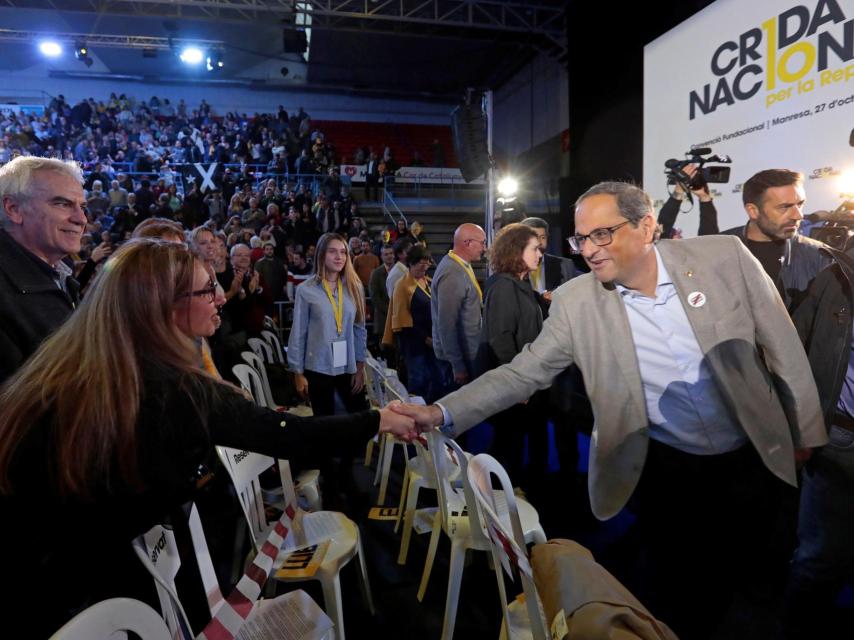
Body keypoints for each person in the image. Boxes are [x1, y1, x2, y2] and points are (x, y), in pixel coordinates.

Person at [392, 181, 827, 639]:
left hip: (753, 456)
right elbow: (521, 374)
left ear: (646, 226)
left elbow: (783, 347)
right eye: (582, 239)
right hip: (666, 469)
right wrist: (440, 413)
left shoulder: (725, 259)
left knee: (759, 581)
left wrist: (807, 433)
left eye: (603, 234)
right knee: (685, 594)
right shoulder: (576, 303)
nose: (590, 250)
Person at [785, 247, 854, 638]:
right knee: (818, 558)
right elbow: (793, 353)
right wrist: (801, 429)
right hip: (841, 442)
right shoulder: (835, 279)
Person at [0, 156, 86, 383]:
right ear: (13, 209)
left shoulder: (62, 270)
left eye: (82, 206)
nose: (81, 218)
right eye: (62, 203)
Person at [475, 224, 548, 491]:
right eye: (534, 249)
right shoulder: (505, 287)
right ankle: (496, 505)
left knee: (511, 442)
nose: (540, 254)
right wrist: (519, 384)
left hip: (519, 380)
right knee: (507, 444)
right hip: (511, 382)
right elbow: (501, 339)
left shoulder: (518, 283)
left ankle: (502, 499)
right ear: (516, 251)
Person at [722, 168, 831, 312]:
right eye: (784, 207)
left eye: (800, 204)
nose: (798, 215)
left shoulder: (821, 256)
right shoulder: (719, 249)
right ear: (753, 211)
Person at [287, 232, 368, 416]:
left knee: (359, 417)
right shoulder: (305, 290)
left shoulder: (354, 288)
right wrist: (297, 373)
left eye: (343, 252)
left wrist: (360, 366)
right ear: (321, 254)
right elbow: (298, 332)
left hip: (347, 365)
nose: (339, 257)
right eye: (332, 251)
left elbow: (359, 329)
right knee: (325, 423)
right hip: (318, 366)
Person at [383, 245, 443, 402]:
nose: (424, 268)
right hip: (414, 344)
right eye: (420, 265)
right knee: (418, 382)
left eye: (426, 264)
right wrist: (425, 338)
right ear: (410, 263)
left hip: (432, 342)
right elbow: (403, 321)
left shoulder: (428, 282)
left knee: (436, 380)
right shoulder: (402, 286)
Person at [431, 223, 486, 388]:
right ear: (468, 243)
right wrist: (458, 366)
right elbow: (447, 324)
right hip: (459, 359)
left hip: (466, 354)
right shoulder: (452, 272)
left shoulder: (460, 264)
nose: (484, 248)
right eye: (482, 242)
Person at [656, 164, 719, 239]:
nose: (679, 235)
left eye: (676, 233)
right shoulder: (662, 245)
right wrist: (679, 189)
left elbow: (709, 239)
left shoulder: (701, 249)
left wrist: (704, 196)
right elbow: (663, 226)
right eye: (674, 233)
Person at [369, 244, 396, 352]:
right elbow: (375, 297)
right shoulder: (376, 273)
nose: (389, 256)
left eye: (391, 253)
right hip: (383, 317)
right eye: (386, 254)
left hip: (398, 317)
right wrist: (390, 311)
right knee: (385, 350)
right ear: (381, 256)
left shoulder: (401, 271)